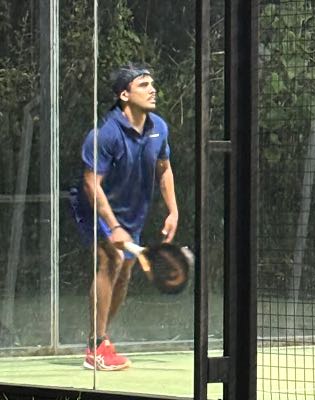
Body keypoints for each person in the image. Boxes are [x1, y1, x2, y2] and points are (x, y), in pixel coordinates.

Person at [70, 62, 179, 371]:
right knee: (112, 260)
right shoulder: (105, 133)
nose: (152, 90)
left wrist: (173, 210)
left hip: (131, 209)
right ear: (124, 95)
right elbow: (91, 184)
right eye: (144, 85)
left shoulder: (159, 127)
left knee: (126, 270)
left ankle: (101, 340)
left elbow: (164, 169)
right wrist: (114, 226)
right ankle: (95, 347)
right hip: (93, 204)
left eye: (152, 84)